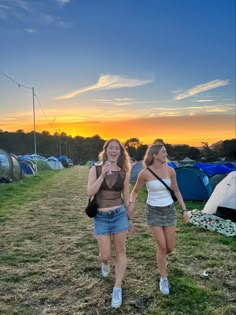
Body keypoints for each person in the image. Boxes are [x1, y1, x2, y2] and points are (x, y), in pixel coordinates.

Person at [128, 143, 189, 295]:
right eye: (163, 152)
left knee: (170, 248)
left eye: (165, 152)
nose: (165, 154)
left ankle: (161, 258)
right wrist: (132, 204)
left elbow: (176, 190)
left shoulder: (171, 171)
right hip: (153, 211)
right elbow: (134, 191)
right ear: (154, 155)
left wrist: (184, 210)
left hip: (169, 211)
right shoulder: (145, 173)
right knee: (161, 247)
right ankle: (163, 277)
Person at [87, 138, 131, 309]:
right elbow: (90, 191)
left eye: (117, 149)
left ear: (120, 152)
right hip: (101, 217)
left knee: (120, 253)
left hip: (119, 214)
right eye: (111, 148)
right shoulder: (96, 169)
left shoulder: (124, 173)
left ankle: (117, 288)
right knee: (105, 255)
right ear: (106, 151)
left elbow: (126, 198)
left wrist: (130, 218)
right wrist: (103, 175)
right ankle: (104, 263)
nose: (114, 151)